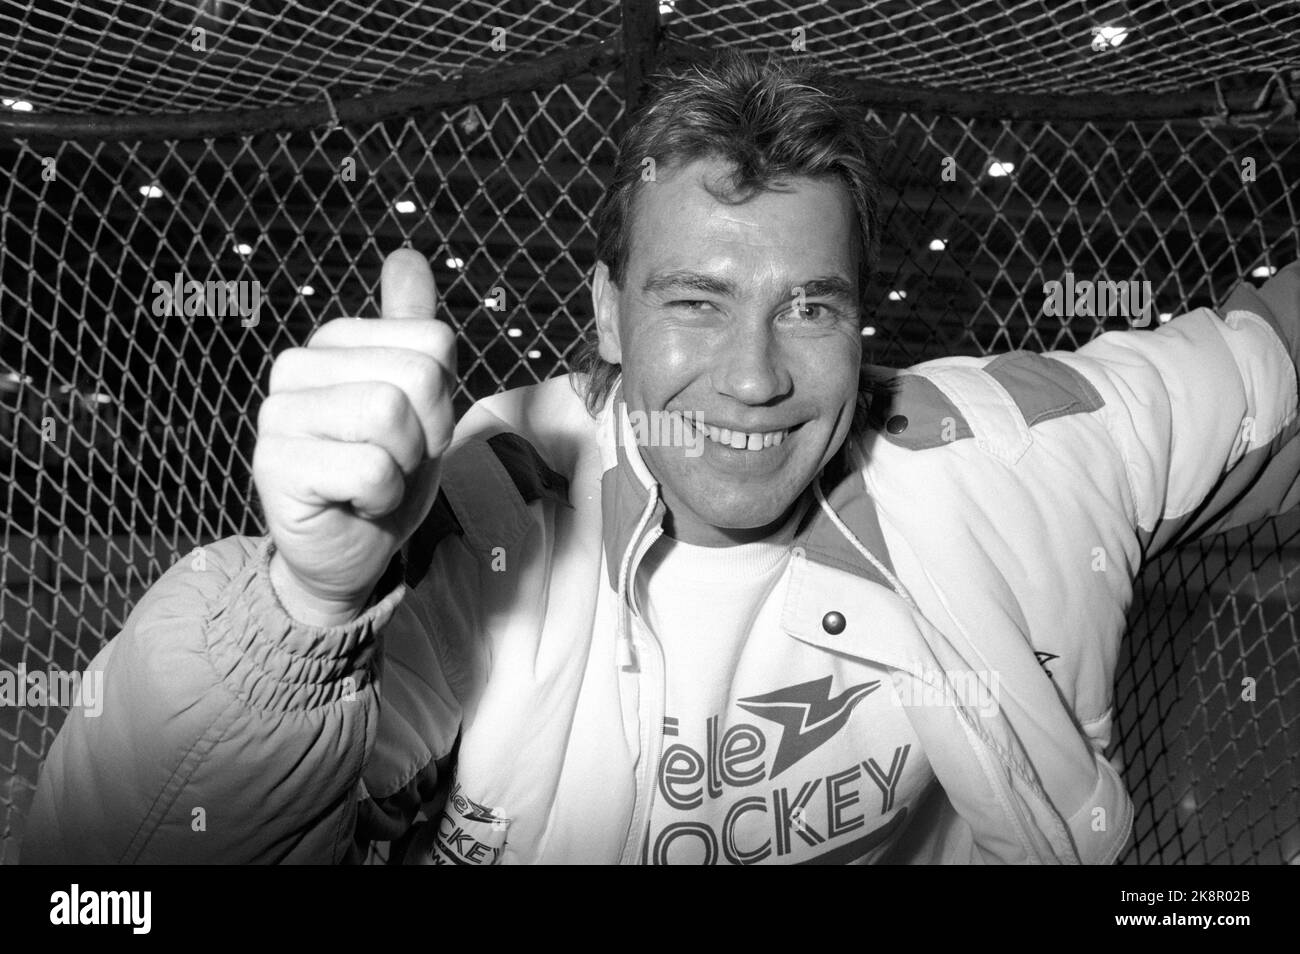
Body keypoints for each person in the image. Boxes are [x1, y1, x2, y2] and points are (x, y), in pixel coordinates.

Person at [23, 51, 1300, 865]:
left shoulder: (1010, 452)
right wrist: (306, 615)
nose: (753, 380)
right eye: (693, 301)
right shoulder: (490, 511)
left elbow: (1263, 361)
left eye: (807, 306)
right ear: (604, 315)